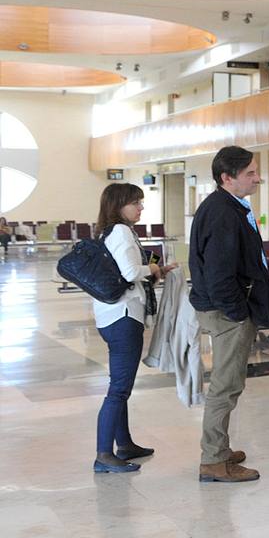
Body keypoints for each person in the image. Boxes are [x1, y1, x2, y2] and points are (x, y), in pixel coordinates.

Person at [188, 145, 269, 483]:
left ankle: (219, 450)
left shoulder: (228, 206)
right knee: (225, 386)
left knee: (228, 384)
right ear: (227, 178)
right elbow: (219, 273)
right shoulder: (222, 212)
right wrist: (238, 313)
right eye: (250, 173)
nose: (257, 178)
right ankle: (213, 460)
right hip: (227, 314)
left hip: (227, 309)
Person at [92, 183, 175, 473]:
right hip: (124, 317)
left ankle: (124, 444)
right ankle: (103, 455)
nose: (141, 208)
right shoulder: (121, 231)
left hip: (111, 315)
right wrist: (152, 269)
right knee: (118, 389)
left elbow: (123, 273)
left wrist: (155, 272)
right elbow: (129, 273)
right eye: (136, 203)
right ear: (119, 206)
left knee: (121, 386)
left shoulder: (108, 232)